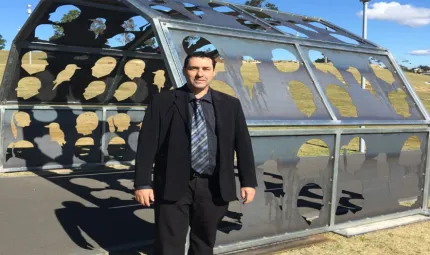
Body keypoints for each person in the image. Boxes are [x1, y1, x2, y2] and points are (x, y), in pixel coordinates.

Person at [134, 51, 257, 255]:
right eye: (194, 68)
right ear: (185, 71)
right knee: (168, 244)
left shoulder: (230, 104)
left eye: (205, 69)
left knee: (204, 241)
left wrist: (248, 181)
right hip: (172, 184)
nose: (200, 74)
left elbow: (243, 145)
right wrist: (143, 183)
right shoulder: (162, 101)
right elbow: (147, 146)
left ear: (213, 73)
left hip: (213, 185)